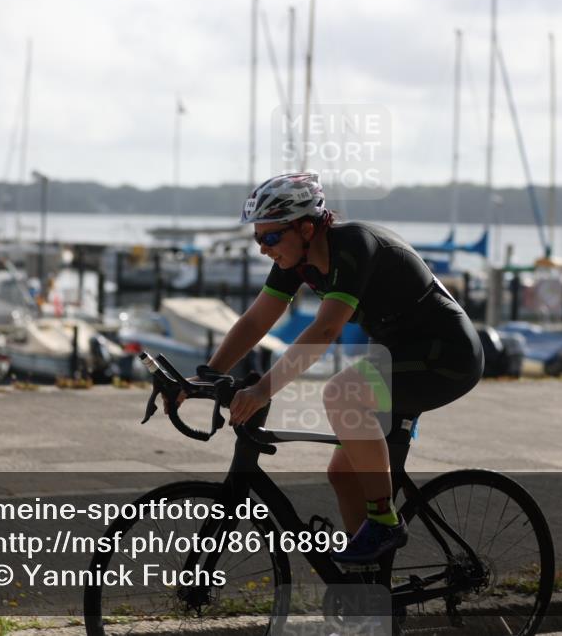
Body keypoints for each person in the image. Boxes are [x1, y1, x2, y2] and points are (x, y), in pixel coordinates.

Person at [166, 172, 484, 563]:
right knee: (343, 475)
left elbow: (326, 329)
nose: (263, 249)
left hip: (448, 356)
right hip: (400, 355)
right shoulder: (296, 259)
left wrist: (263, 390)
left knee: (341, 393)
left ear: (305, 228)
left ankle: (385, 522)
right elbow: (255, 321)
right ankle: (366, 584)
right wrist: (206, 375)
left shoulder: (353, 246)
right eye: (257, 238)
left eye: (270, 238)